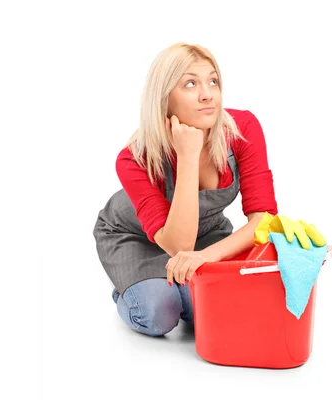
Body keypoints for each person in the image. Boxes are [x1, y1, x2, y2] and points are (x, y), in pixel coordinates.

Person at [92, 42, 279, 337]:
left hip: (206, 233)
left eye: (213, 81)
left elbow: (264, 221)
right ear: (165, 98)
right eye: (190, 83)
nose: (207, 94)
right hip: (135, 237)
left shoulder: (242, 128)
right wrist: (188, 156)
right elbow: (179, 246)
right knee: (159, 313)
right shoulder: (133, 158)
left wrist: (205, 257)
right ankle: (132, 286)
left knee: (211, 309)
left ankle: (177, 285)